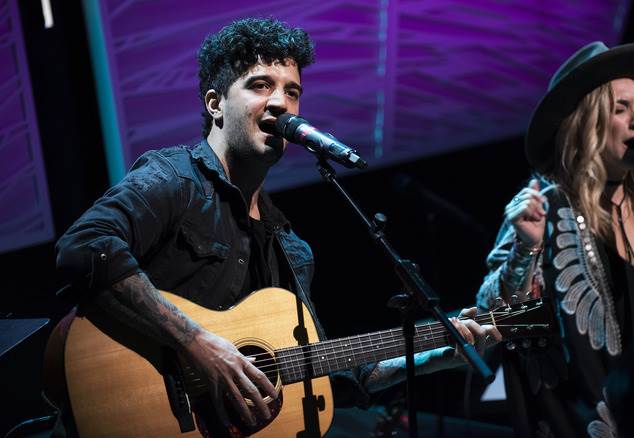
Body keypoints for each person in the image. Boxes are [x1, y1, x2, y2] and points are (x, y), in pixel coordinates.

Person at [52, 17, 500, 436]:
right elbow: (85, 247)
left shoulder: (290, 246)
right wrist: (198, 344)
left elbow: (331, 374)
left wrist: (440, 353)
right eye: (260, 85)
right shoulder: (174, 180)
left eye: (292, 91)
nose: (281, 103)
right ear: (215, 104)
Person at [476, 41, 634, 437]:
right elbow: (495, 313)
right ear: (587, 124)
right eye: (621, 109)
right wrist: (526, 247)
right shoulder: (548, 206)